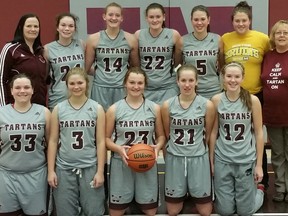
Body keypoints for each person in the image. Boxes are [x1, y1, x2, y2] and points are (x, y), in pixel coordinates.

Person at [221, 0, 270, 189]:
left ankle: (261, 180)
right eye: (237, 21)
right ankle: (229, 178)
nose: (240, 24)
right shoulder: (225, 39)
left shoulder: (262, 39)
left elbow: (269, 60)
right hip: (232, 94)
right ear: (232, 22)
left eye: (244, 21)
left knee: (257, 135)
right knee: (234, 136)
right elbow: (222, 64)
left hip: (257, 94)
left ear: (250, 21)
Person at [105, 67, 165, 216]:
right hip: (121, 163)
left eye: (140, 83)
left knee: (150, 211)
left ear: (145, 85)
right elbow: (105, 139)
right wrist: (118, 149)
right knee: (116, 212)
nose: (136, 86)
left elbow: (161, 136)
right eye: (132, 82)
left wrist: (157, 148)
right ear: (125, 83)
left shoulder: (154, 108)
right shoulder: (114, 109)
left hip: (147, 162)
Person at [47, 67, 106, 216]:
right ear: (66, 85)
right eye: (72, 83)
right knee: (65, 212)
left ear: (87, 83)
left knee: (94, 211)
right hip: (64, 168)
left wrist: (100, 171)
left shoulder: (96, 108)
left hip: (90, 167)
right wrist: (51, 171)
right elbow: (53, 141)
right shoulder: (58, 109)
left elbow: (100, 142)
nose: (76, 86)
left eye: (80, 82)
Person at [210, 62, 265, 216]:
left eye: (236, 76)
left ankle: (259, 191)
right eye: (229, 76)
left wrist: (259, 165)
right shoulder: (216, 100)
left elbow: (259, 133)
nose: (232, 80)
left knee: (245, 212)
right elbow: (214, 132)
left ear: (243, 78)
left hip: (245, 159)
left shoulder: (252, 100)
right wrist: (211, 161)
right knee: (225, 211)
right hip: (223, 159)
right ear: (223, 78)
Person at [161, 64, 215, 216]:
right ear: (177, 81)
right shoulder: (167, 105)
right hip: (175, 158)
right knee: (173, 211)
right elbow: (167, 135)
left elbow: (209, 134)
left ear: (197, 82)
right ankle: (184, 192)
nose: (187, 84)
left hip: (198, 158)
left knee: (205, 212)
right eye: (183, 80)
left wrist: (209, 160)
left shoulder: (207, 105)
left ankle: (192, 192)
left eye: (191, 80)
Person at [0, 74, 50, 216]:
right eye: (18, 87)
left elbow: (51, 144)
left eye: (27, 87)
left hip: (36, 175)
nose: (22, 91)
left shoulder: (43, 112)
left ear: (33, 90)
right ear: (11, 91)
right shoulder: (1, 113)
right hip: (6, 175)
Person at [85, 2, 139, 111]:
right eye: (110, 15)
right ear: (104, 16)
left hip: (122, 87)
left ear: (122, 18)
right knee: (101, 121)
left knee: (122, 120)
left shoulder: (131, 39)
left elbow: (135, 68)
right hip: (100, 87)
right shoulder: (94, 39)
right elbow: (86, 68)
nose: (114, 18)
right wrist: (100, 72)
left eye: (117, 15)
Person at [261, 20, 288, 202]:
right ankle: (280, 188)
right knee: (277, 154)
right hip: (272, 114)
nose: (282, 36)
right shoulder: (267, 56)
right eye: (279, 33)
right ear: (273, 36)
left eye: (286, 33)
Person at [135, 3, 181, 104]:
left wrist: (172, 73)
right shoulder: (139, 35)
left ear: (164, 17)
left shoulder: (173, 34)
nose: (155, 20)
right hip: (146, 88)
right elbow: (136, 63)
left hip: (168, 87)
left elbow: (179, 62)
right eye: (151, 17)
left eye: (158, 17)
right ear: (146, 18)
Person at [175, 5, 223, 99]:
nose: (199, 23)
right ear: (191, 21)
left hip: (214, 90)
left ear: (208, 20)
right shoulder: (182, 41)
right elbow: (177, 67)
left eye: (202, 19)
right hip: (191, 90)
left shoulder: (217, 39)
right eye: (196, 20)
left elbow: (222, 67)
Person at [0, 14, 47, 107]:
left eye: (36, 26)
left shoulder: (40, 51)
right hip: (16, 109)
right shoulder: (11, 49)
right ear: (21, 28)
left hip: (38, 109)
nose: (33, 29)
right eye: (29, 26)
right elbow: (1, 79)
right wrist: (3, 109)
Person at [44, 12, 85, 110]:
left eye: (71, 26)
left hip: (80, 98)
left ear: (74, 29)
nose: (67, 29)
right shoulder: (47, 49)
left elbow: (87, 68)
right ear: (57, 27)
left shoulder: (81, 44)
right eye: (63, 25)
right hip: (58, 99)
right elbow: (45, 77)